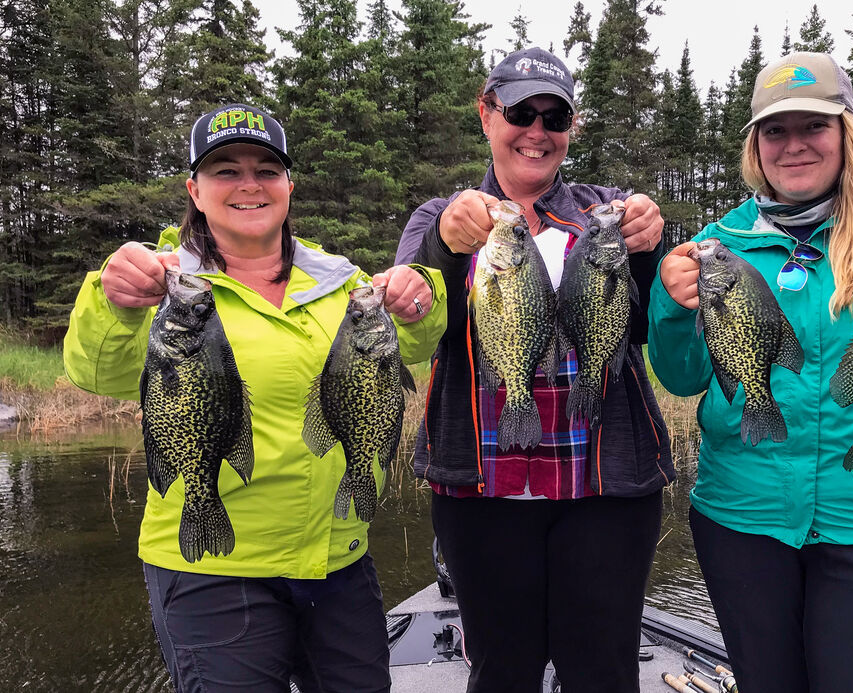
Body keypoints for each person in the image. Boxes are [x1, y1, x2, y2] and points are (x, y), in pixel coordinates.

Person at [62, 103, 447, 692]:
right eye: (225, 170)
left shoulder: (337, 280)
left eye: (266, 169)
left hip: (336, 557)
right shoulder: (161, 283)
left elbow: (414, 341)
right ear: (194, 189)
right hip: (213, 570)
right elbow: (98, 373)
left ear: (289, 186)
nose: (248, 184)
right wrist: (110, 301)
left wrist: (422, 291)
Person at [650, 53, 853, 692]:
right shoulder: (721, 243)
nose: (795, 145)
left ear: (847, 134)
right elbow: (683, 377)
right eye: (776, 130)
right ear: (755, 145)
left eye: (815, 127)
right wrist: (671, 306)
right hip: (742, 514)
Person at [394, 47, 675, 692]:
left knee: (603, 671)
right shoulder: (439, 217)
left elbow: (642, 327)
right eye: (522, 112)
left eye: (556, 118)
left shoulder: (609, 211)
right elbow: (418, 317)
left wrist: (648, 242)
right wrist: (444, 246)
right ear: (487, 115)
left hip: (603, 482)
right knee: (502, 669)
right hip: (484, 481)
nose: (538, 132)